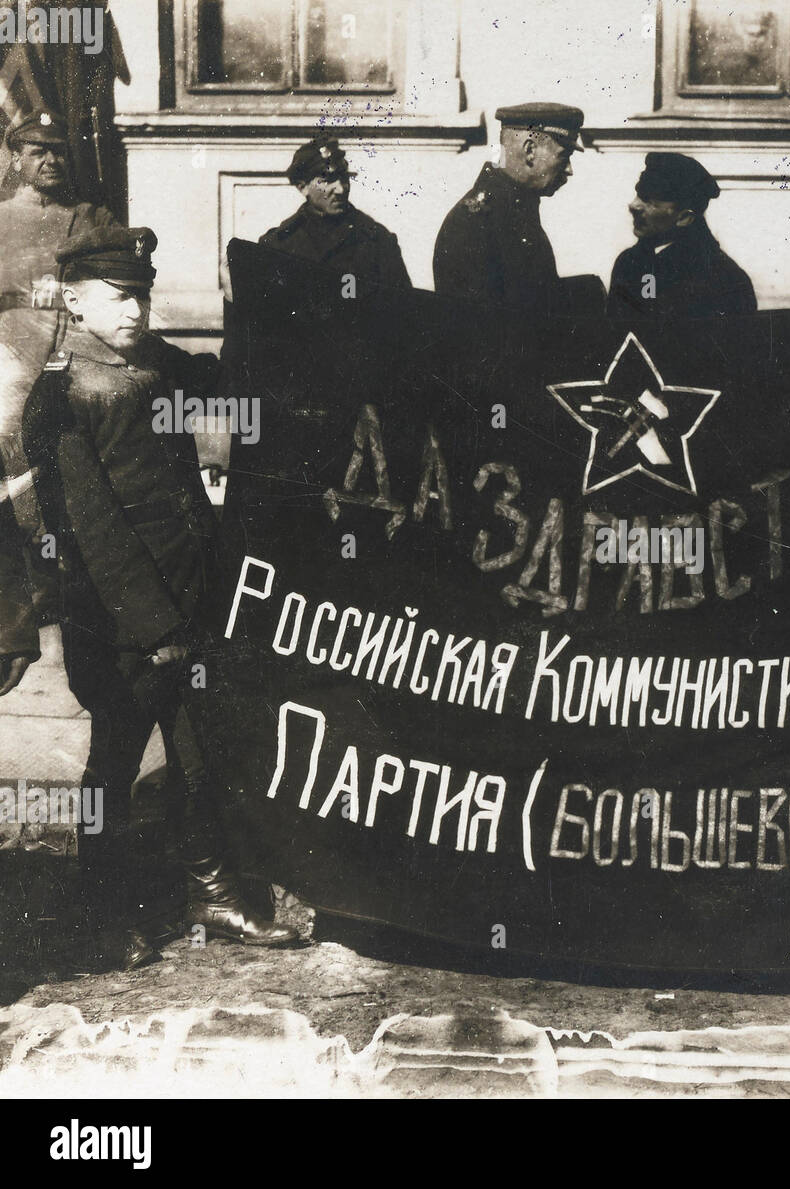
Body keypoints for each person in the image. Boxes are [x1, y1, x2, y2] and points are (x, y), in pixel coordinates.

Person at [22, 225, 301, 972]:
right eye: (120, 297)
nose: (137, 310)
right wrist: (157, 626)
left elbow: (220, 383)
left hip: (189, 597)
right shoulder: (61, 396)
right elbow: (94, 530)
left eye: (143, 295)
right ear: (75, 302)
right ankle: (101, 906)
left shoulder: (152, 365)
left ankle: (209, 888)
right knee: (113, 763)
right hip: (118, 621)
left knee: (198, 752)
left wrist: (266, 320)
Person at [0, 109, 117, 611]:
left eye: (59, 151)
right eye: (37, 151)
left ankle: (72, 577)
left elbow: (118, 285)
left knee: (75, 463)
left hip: (76, 353)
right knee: (13, 462)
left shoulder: (93, 217)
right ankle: (25, 584)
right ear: (15, 158)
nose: (50, 160)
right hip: (9, 357)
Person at [433, 102, 586, 312]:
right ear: (530, 150)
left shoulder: (514, 210)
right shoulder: (473, 224)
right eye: (564, 155)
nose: (569, 170)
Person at [607, 152, 756, 319]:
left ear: (684, 218)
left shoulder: (726, 280)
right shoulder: (628, 262)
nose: (634, 205)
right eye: (639, 195)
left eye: (649, 201)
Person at [257, 135, 411, 288]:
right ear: (302, 187)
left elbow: (401, 307)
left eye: (343, 178)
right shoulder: (278, 243)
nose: (340, 189)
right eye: (328, 180)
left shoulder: (377, 240)